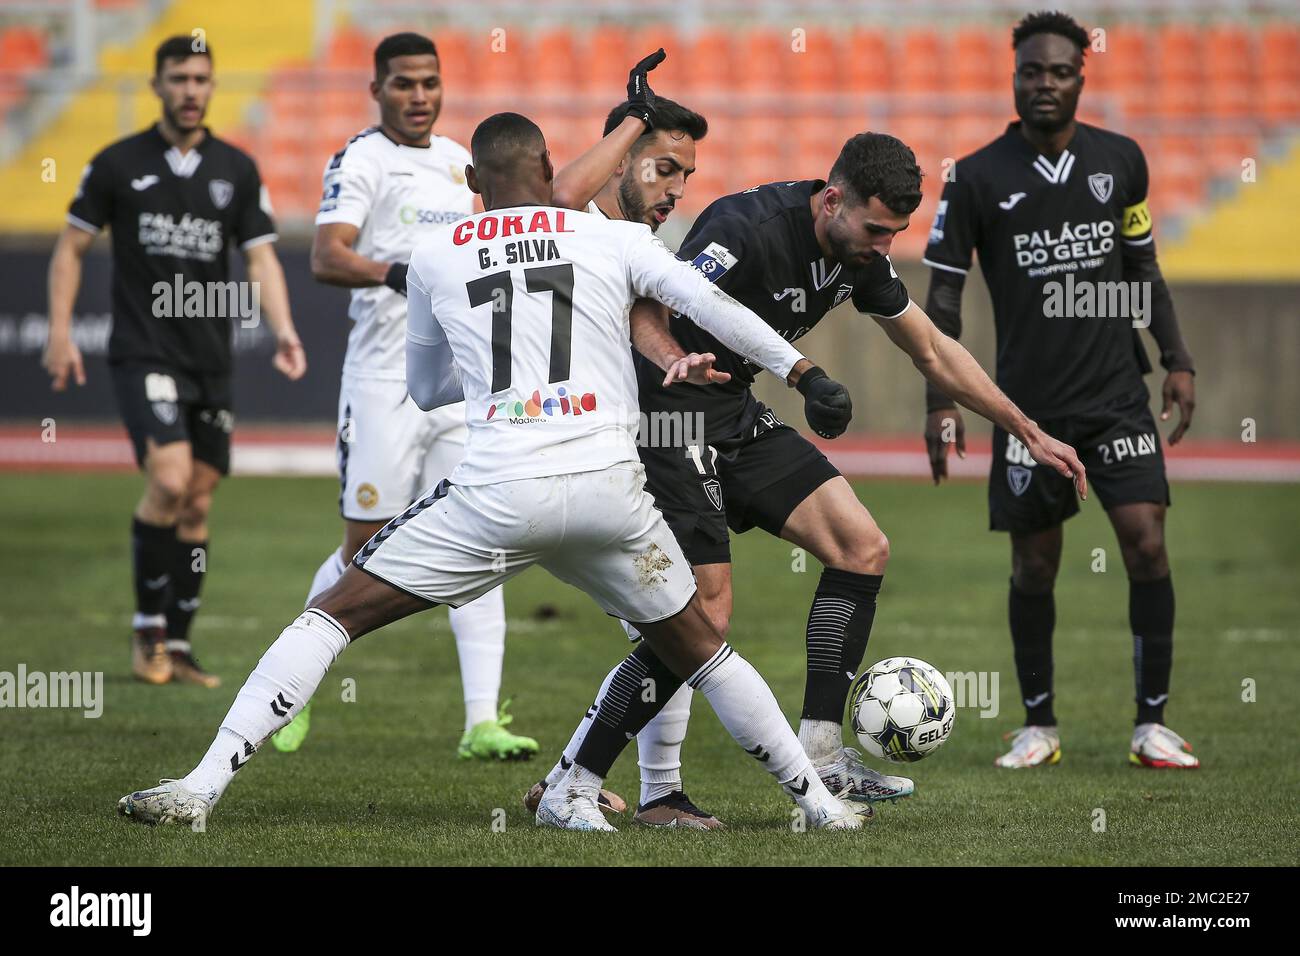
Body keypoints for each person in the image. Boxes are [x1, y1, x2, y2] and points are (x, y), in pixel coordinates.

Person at [117, 111, 871, 832]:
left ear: (473, 178)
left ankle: (200, 784)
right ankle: (817, 804)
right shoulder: (605, 237)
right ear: (549, 168)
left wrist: (492, 382)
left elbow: (427, 389)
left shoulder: (435, 255)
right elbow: (712, 306)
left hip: (500, 496)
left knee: (333, 612)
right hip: (611, 494)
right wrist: (803, 372)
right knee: (703, 648)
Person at [528, 130, 1090, 827]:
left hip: (732, 414)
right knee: (701, 617)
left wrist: (1028, 430)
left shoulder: (859, 257)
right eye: (877, 229)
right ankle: (573, 779)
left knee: (862, 545)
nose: (884, 246)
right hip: (667, 418)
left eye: (896, 234)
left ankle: (822, 754)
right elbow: (648, 301)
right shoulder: (749, 226)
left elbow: (935, 352)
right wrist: (679, 362)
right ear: (832, 200)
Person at [921, 10, 1198, 769]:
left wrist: (1176, 356)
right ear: (1014, 79)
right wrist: (940, 399)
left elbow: (1143, 269)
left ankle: (1151, 725)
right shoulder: (976, 176)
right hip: (1027, 409)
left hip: (1117, 398)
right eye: (1032, 72)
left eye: (1060, 71)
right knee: (1034, 566)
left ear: (1083, 76)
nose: (1045, 84)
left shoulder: (1120, 160)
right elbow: (942, 300)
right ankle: (1038, 725)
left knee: (1147, 546)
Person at [43, 35, 306, 688]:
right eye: (179, 78)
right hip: (143, 351)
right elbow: (70, 249)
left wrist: (283, 328)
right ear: (157, 85)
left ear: (213, 87)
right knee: (168, 478)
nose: (191, 90)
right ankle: (145, 634)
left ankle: (179, 645)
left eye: (201, 79)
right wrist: (58, 331)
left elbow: (261, 256)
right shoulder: (116, 164)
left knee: (196, 501)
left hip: (209, 358)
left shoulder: (237, 170)